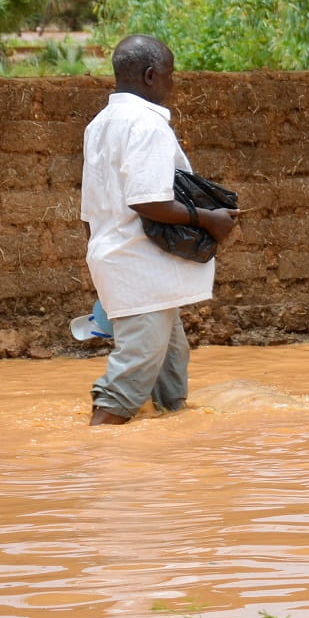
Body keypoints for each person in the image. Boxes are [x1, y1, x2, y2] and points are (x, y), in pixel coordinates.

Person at [81, 35, 236, 426]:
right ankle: (93, 452)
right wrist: (208, 219)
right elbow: (147, 200)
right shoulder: (145, 125)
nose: (173, 84)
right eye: (170, 75)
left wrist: (108, 279)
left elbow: (93, 210)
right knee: (129, 378)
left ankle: (167, 454)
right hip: (140, 269)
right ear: (151, 76)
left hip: (123, 263)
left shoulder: (101, 124)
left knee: (169, 369)